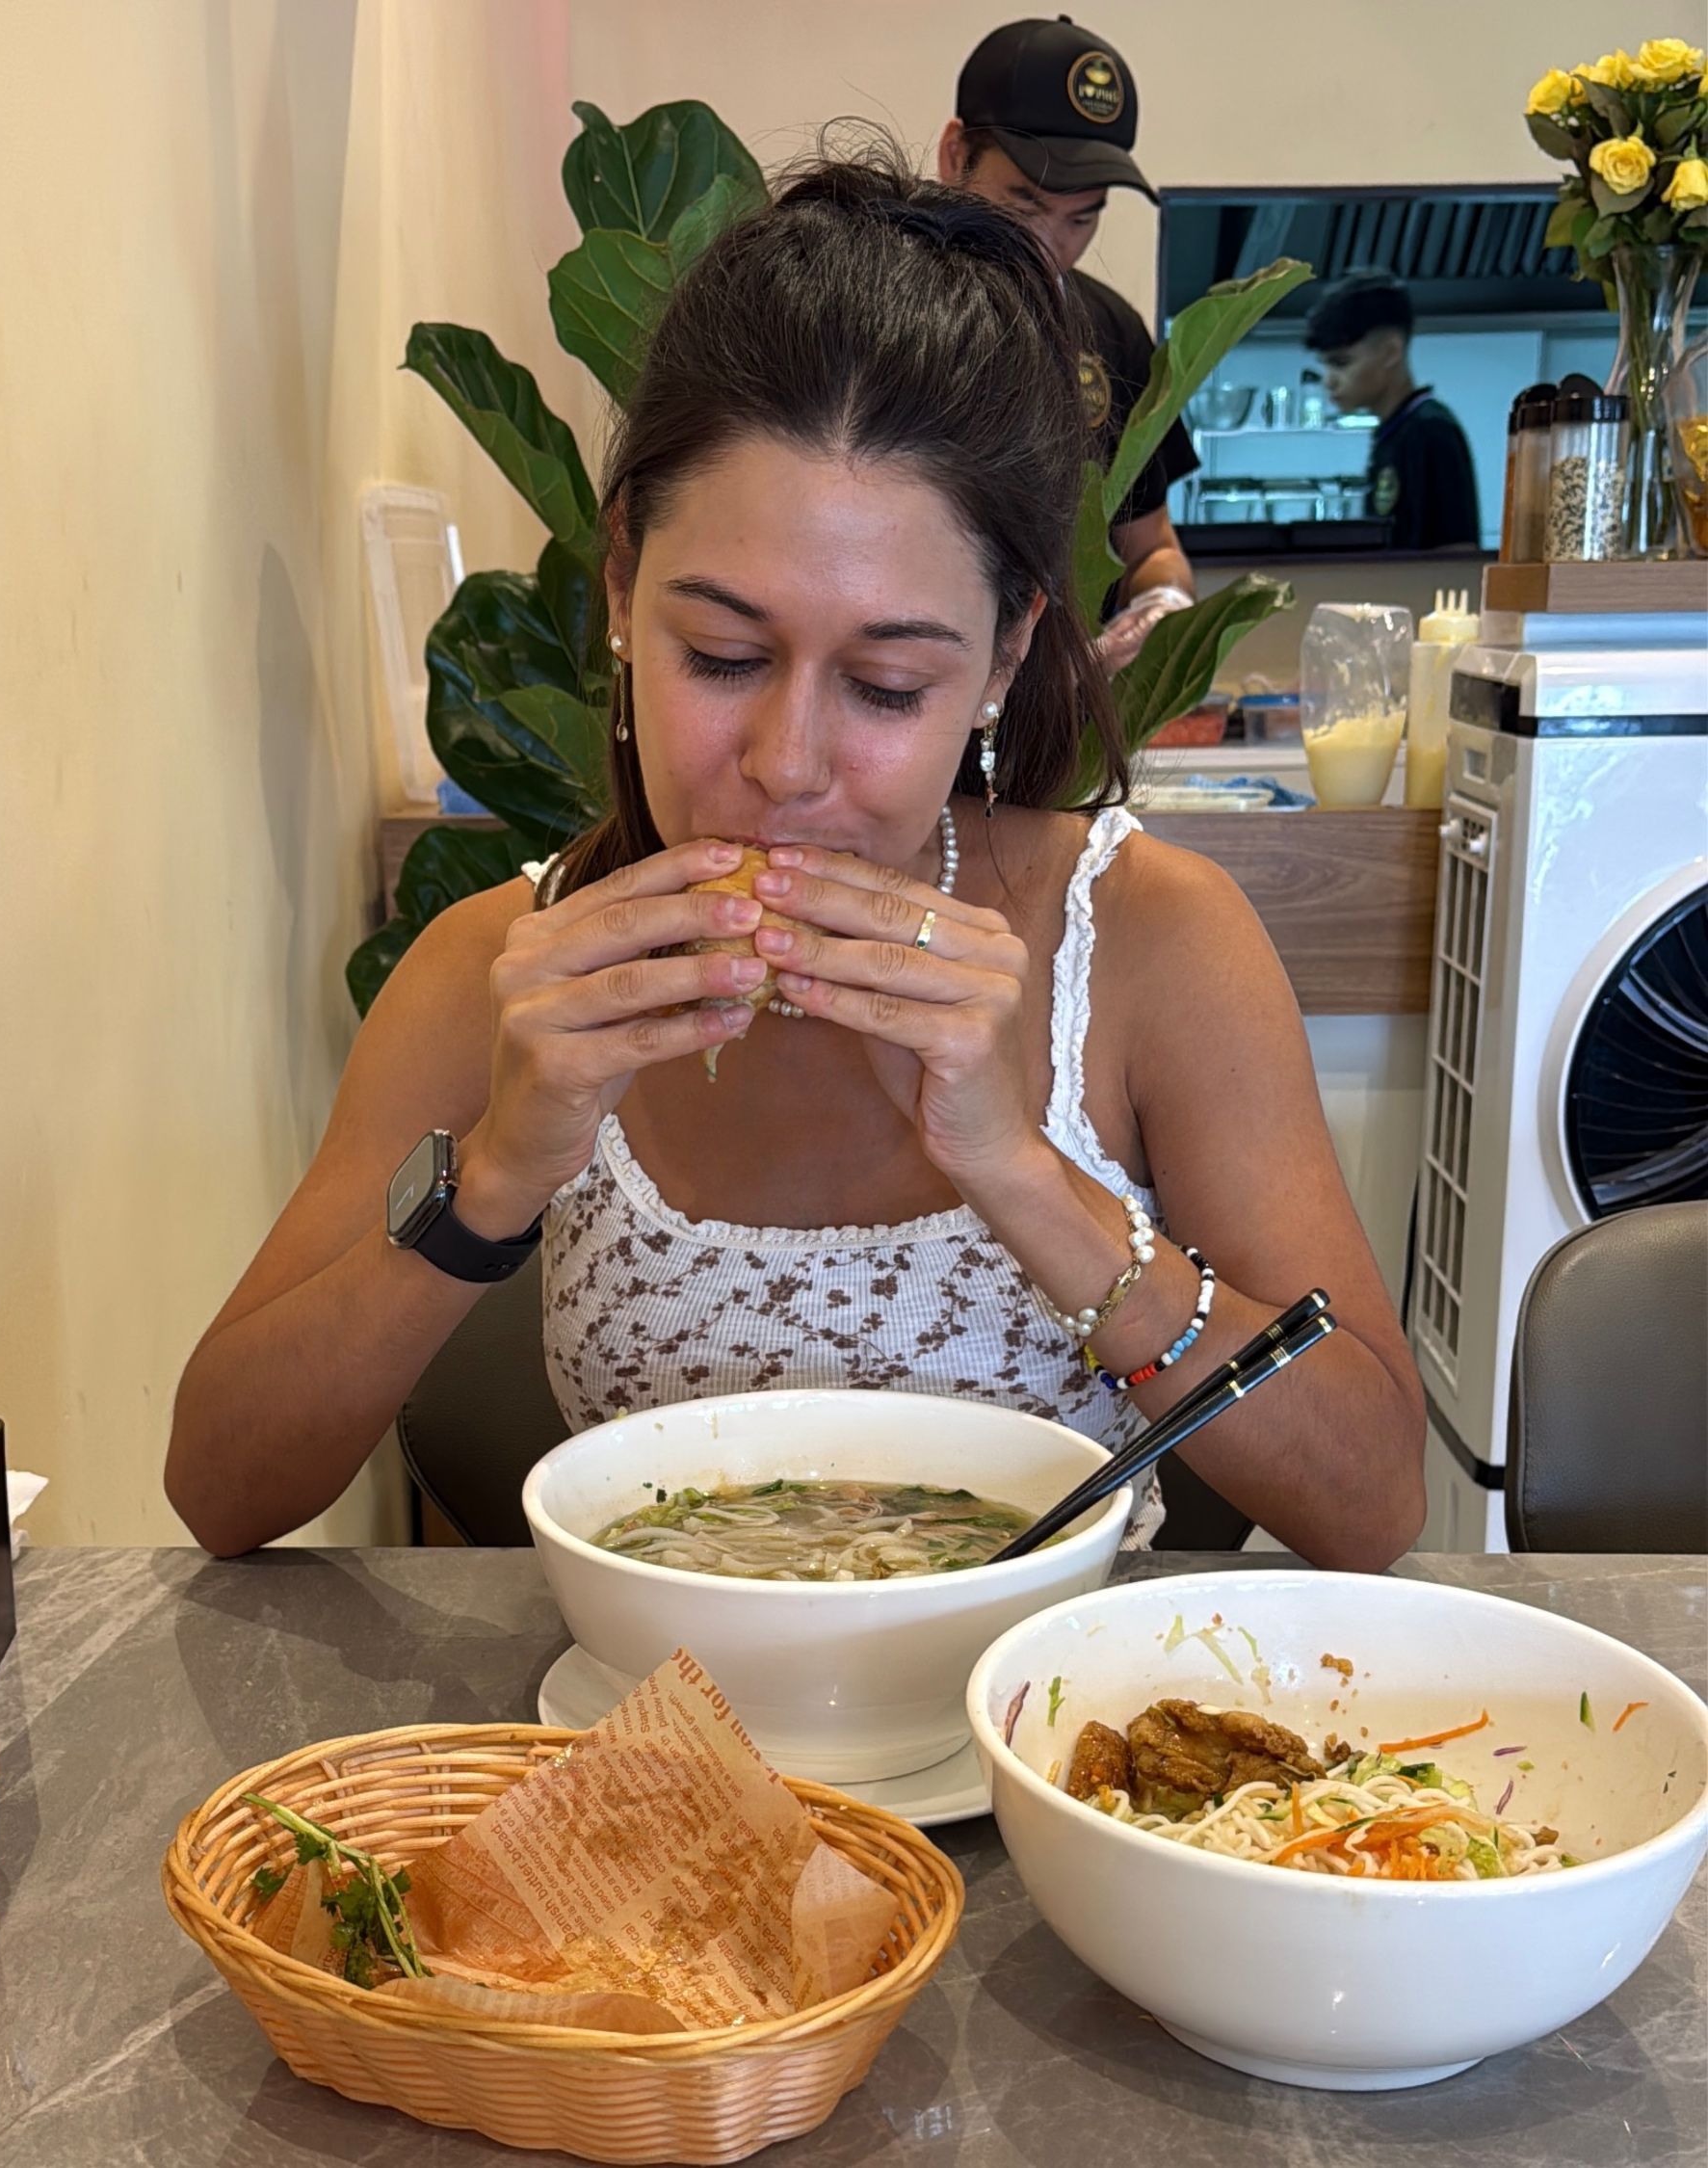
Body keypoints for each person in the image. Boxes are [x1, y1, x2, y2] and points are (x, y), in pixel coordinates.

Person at [165, 155, 1426, 1570]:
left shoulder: (1146, 939)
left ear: (1004, 655)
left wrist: (1024, 1173)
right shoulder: (502, 974)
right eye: (721, 655)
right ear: (626, 584)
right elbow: (220, 1486)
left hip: (1049, 1741)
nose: (786, 762)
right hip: (661, 1745)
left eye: (888, 685)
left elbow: (1372, 1501)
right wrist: (499, 1173)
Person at [937, 15, 1196, 672]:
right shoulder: (870, 309)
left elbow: (1151, 548)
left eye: (1081, 219)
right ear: (954, 156)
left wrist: (1160, 605)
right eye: (1022, 208)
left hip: (1062, 726)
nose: (1047, 247)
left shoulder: (1112, 334)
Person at [1305, 270, 1480, 552]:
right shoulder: (1391, 433)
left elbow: (1457, 553)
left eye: (1341, 363)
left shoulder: (1432, 430)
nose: (1328, 380)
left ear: (1390, 352)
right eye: (1325, 366)